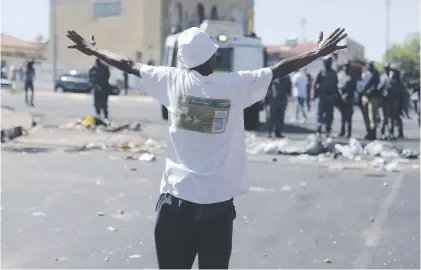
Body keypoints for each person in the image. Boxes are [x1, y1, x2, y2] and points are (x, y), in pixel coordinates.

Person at [66, 27, 347, 269]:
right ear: (211, 57)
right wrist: (317, 52)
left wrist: (95, 50)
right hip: (216, 209)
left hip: (174, 204)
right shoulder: (233, 86)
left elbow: (128, 64)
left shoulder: (172, 81)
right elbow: (279, 70)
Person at [314, 57, 338, 137]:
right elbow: (315, 84)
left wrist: (336, 95)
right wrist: (314, 94)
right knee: (320, 113)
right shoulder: (321, 72)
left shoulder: (333, 73)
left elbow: (336, 85)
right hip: (321, 96)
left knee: (329, 114)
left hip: (330, 96)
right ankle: (319, 128)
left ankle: (328, 129)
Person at [361, 61, 381, 140]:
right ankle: (368, 132)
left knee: (372, 116)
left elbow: (376, 85)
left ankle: (373, 134)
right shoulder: (366, 74)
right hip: (365, 97)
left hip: (373, 97)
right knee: (365, 116)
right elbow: (363, 84)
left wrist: (370, 90)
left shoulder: (375, 74)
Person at [336, 62, 356, 138]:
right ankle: (343, 131)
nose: (346, 69)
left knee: (349, 117)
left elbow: (353, 89)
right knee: (343, 117)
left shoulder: (352, 77)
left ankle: (348, 133)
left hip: (349, 100)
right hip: (342, 99)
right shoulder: (342, 76)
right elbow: (339, 86)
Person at [379, 64, 391, 139]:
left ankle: (389, 133)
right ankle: (382, 133)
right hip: (383, 99)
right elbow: (379, 87)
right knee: (383, 118)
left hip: (390, 100)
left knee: (389, 118)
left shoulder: (391, 77)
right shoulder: (383, 77)